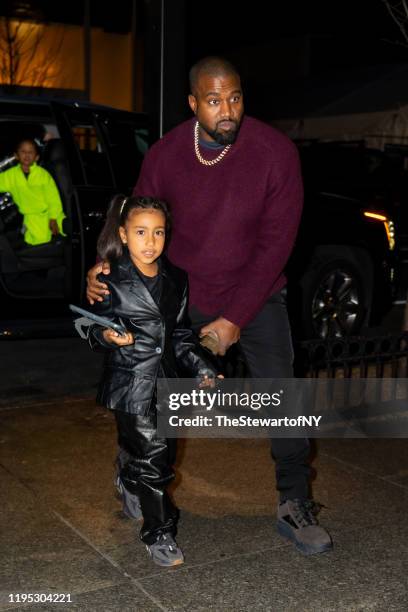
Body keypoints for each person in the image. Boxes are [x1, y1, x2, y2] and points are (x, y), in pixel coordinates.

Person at [87, 56, 333, 556]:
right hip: (180, 296)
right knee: (159, 399)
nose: (228, 111)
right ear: (194, 103)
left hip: (257, 293)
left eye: (235, 98)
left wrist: (234, 318)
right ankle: (135, 470)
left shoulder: (275, 152)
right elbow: (139, 220)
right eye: (215, 101)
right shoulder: (166, 153)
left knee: (281, 395)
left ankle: (294, 502)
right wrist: (105, 265)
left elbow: (276, 244)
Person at [85, 194, 220, 567]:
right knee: (157, 460)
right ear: (124, 235)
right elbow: (88, 326)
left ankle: (129, 478)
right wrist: (105, 336)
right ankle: (159, 533)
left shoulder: (176, 278)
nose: (150, 241)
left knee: (154, 453)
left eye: (158, 232)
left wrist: (201, 367)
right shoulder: (110, 277)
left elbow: (180, 335)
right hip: (129, 384)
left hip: (167, 384)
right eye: (141, 232)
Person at [0, 138, 65, 246]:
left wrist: (53, 218)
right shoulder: (11, 176)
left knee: (40, 245)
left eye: (30, 152)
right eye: (23, 152)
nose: (27, 155)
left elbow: (53, 198)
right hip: (26, 218)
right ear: (16, 155)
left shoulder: (43, 175)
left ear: (36, 157)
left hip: (43, 217)